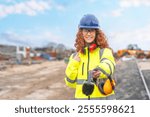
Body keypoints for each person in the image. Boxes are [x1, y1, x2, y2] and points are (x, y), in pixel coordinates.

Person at [64, 14, 116, 100]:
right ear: (81, 33)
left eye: (91, 31)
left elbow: (109, 64)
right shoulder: (74, 56)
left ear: (96, 33)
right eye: (85, 30)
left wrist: (100, 70)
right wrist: (74, 63)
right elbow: (70, 83)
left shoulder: (104, 51)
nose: (88, 34)